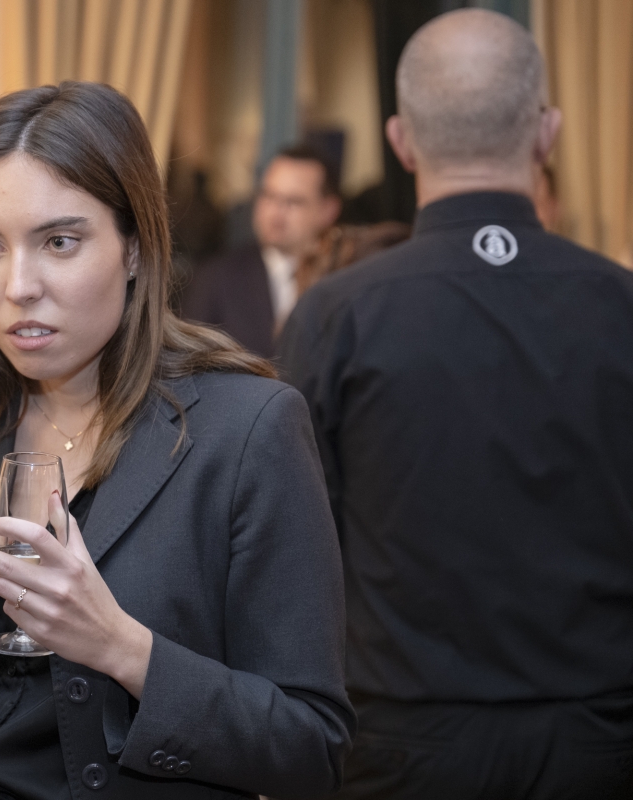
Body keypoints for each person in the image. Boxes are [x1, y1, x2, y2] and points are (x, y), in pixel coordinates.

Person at [0, 81, 354, 799]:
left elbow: (310, 748)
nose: (17, 286)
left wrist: (123, 648)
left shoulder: (247, 430)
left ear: (135, 248)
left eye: (59, 242)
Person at [279, 10, 633, 799]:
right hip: (602, 741)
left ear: (400, 141)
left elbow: (294, 546)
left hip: (397, 744)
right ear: (548, 133)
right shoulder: (621, 305)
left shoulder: (337, 315)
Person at [182, 144, 341, 357]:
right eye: (268, 196)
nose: (276, 213)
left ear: (328, 210)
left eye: (293, 202)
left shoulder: (342, 277)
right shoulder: (214, 278)